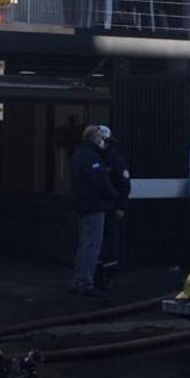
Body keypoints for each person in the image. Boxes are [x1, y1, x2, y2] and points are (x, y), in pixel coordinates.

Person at [69, 125, 115, 296]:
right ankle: (85, 282)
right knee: (91, 246)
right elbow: (100, 182)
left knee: (84, 245)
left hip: (82, 205)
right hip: (93, 206)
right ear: (97, 139)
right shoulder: (92, 158)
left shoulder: (79, 155)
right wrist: (113, 194)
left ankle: (79, 279)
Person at [96, 125, 131, 289]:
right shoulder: (93, 158)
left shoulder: (115, 160)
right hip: (97, 206)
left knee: (109, 240)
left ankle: (109, 273)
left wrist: (120, 207)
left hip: (110, 207)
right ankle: (98, 273)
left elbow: (124, 185)